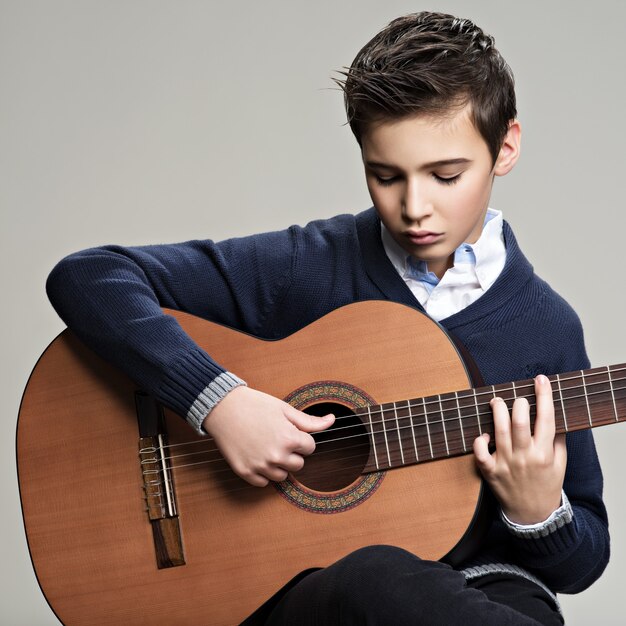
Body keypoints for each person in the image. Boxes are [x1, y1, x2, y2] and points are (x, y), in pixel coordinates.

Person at [46, 11, 609, 625]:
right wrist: (217, 401)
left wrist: (538, 513)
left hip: (478, 586)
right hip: (295, 585)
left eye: (446, 175)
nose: (414, 208)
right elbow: (89, 276)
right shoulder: (310, 263)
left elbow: (582, 564)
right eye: (385, 176)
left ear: (505, 148)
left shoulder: (547, 328)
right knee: (377, 576)